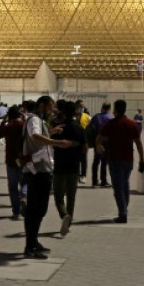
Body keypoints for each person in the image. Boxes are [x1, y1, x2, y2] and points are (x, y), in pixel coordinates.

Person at [22, 97, 72, 258]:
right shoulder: (34, 119)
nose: (52, 111)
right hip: (38, 169)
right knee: (36, 209)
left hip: (41, 168)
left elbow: (38, 136)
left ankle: (33, 241)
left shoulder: (37, 120)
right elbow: (35, 136)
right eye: (50, 107)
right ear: (42, 105)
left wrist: (51, 132)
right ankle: (30, 246)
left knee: (39, 208)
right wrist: (56, 142)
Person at [97, 99, 144, 223]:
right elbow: (138, 143)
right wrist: (142, 159)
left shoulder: (111, 123)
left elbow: (99, 137)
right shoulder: (132, 124)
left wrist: (99, 146)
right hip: (128, 159)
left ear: (115, 110)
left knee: (118, 187)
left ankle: (123, 213)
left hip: (114, 159)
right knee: (125, 185)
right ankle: (124, 209)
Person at [51, 100, 85, 237]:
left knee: (59, 197)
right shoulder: (79, 128)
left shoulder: (58, 127)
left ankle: (64, 214)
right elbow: (84, 148)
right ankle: (69, 222)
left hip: (60, 166)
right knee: (71, 197)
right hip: (74, 167)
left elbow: (51, 143)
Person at [0, 105, 27, 220]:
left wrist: (3, 121)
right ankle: (24, 197)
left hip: (11, 160)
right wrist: (25, 119)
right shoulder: (24, 126)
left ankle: (16, 212)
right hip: (24, 159)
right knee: (25, 182)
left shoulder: (8, 127)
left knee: (12, 187)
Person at [88, 103, 113, 187]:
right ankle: (103, 181)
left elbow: (90, 127)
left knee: (96, 161)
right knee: (104, 162)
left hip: (97, 141)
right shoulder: (111, 118)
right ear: (109, 108)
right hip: (107, 141)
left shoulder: (96, 117)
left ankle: (94, 181)